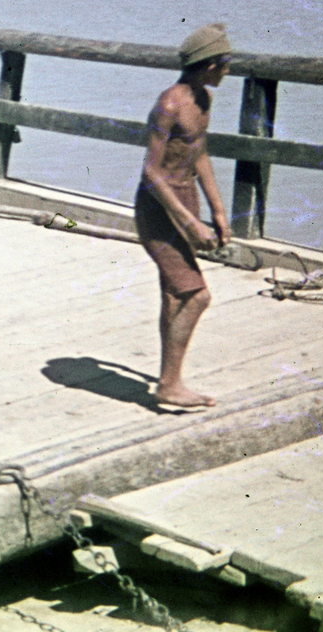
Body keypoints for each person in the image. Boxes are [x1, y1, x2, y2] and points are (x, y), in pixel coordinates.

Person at [136, 22, 233, 409]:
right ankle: (169, 384)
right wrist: (189, 222)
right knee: (196, 295)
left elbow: (200, 154)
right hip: (158, 209)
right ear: (208, 64)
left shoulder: (203, 101)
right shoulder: (169, 105)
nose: (228, 71)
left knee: (173, 294)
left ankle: (168, 379)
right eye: (225, 63)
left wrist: (218, 212)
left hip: (187, 198)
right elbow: (151, 171)